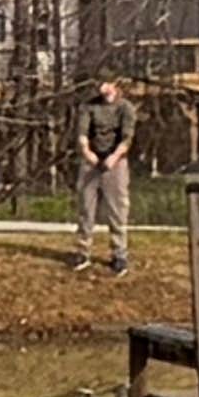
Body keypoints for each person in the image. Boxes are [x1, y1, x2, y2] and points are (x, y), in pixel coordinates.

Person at [73, 74, 138, 271]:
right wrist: (87, 153)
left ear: (115, 85)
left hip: (115, 162)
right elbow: (82, 134)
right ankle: (83, 252)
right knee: (86, 207)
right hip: (91, 161)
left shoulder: (125, 108)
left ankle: (119, 254)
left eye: (106, 84)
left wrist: (113, 157)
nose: (103, 89)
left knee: (117, 210)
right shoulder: (88, 107)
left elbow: (127, 138)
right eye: (99, 85)